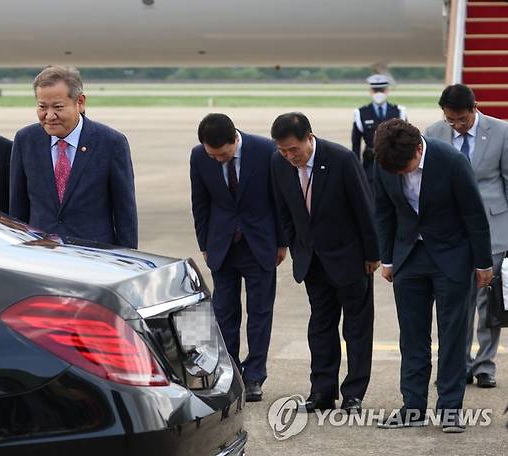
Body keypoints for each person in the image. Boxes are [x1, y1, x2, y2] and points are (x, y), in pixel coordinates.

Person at [374, 119, 492, 433]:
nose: (401, 174)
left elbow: (474, 213)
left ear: (418, 148)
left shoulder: (451, 160)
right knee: (412, 337)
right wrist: (387, 258)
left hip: (452, 257)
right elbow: (383, 211)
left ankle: (450, 410)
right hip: (408, 257)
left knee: (453, 336)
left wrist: (482, 263)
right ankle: (412, 407)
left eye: (406, 167)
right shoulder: (386, 160)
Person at [270, 112, 379, 413]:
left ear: (309, 137)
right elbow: (285, 210)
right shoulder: (278, 163)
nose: (290, 156)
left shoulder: (341, 159)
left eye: (294, 149)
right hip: (312, 261)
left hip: (350, 258)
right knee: (320, 327)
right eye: (283, 150)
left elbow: (364, 208)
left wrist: (372, 254)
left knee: (356, 329)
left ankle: (354, 393)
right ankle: (322, 391)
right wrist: (297, 246)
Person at [190, 113, 287, 402]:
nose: (218, 160)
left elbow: (279, 199)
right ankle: (228, 372)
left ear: (235, 139)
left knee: (259, 312)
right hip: (222, 245)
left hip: (260, 243)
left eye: (223, 154)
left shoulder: (266, 150)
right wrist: (205, 243)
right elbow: (200, 202)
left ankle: (254, 375)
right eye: (212, 155)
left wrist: (282, 242)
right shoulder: (199, 156)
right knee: (224, 312)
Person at [425, 84, 507, 389]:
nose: (456, 125)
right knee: (457, 305)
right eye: (451, 120)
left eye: (461, 119)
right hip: (452, 233)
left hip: (493, 228)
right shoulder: (433, 133)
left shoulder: (501, 132)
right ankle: (458, 364)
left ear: (474, 109)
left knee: (490, 304)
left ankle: (485, 365)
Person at [10, 66, 137, 248]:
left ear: (80, 102)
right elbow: (17, 209)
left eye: (58, 107)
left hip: (94, 256)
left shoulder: (111, 142)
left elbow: (125, 213)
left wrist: (129, 260)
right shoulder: (25, 140)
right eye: (42, 107)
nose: (50, 115)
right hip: (41, 255)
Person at [352, 74, 407, 190]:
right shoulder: (360, 113)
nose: (378, 93)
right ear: (370, 91)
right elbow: (355, 145)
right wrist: (357, 169)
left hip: (394, 164)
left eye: (381, 90)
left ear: (387, 90)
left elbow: (406, 140)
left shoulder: (399, 112)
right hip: (370, 165)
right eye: (375, 90)